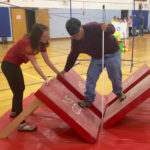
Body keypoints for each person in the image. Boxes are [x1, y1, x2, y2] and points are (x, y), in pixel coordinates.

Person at [1, 23, 59, 131]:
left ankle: (14, 111)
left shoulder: (41, 43)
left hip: (15, 65)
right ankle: (21, 124)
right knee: (18, 92)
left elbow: (47, 60)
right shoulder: (26, 43)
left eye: (47, 36)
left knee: (20, 89)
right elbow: (34, 63)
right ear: (37, 36)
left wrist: (58, 72)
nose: (46, 39)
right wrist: (45, 78)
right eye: (44, 36)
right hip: (8, 65)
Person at [60, 18, 126, 108]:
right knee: (91, 77)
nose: (76, 36)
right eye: (73, 35)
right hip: (97, 58)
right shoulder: (75, 42)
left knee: (115, 75)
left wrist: (107, 28)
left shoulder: (93, 27)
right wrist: (65, 70)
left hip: (112, 53)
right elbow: (72, 56)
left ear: (81, 27)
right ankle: (88, 99)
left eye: (77, 33)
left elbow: (112, 29)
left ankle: (119, 93)